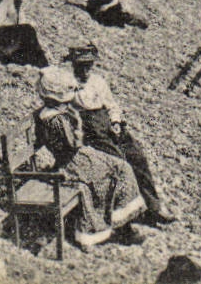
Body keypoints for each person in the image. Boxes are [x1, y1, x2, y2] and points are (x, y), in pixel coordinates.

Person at [31, 66, 144, 248]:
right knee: (115, 171)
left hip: (74, 157)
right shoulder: (56, 120)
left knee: (118, 166)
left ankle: (119, 222)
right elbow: (73, 143)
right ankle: (112, 227)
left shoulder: (47, 114)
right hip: (72, 161)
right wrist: (76, 123)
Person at [67, 43, 174, 224]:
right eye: (81, 66)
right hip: (90, 133)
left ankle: (153, 207)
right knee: (121, 163)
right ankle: (132, 211)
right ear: (74, 65)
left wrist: (116, 122)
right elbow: (69, 113)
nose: (85, 70)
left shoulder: (98, 82)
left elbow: (111, 105)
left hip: (108, 125)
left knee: (137, 156)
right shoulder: (68, 85)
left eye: (89, 65)